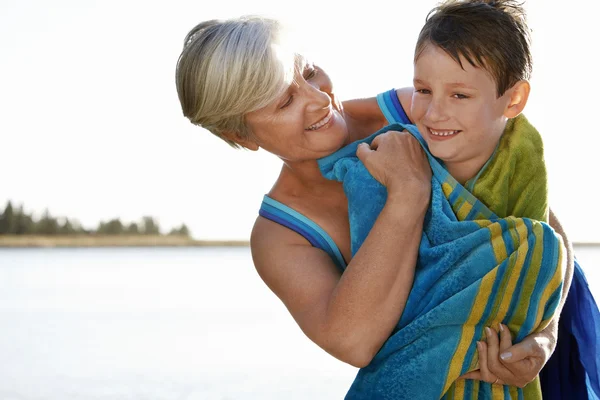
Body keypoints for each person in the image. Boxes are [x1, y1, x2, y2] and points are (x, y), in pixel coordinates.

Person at [174, 12, 581, 398]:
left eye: (311, 70)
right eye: (285, 101)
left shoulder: (416, 108)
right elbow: (354, 342)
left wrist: (547, 333)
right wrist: (407, 194)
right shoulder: (281, 236)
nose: (318, 99)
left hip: (533, 336)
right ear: (241, 135)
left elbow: (539, 214)